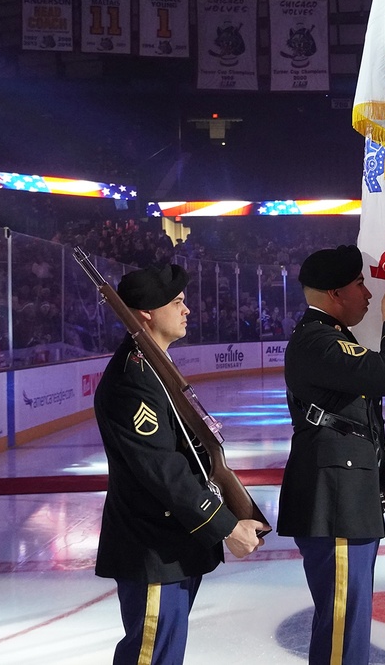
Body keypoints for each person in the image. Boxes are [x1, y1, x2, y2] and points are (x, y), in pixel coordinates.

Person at [94, 263, 265, 664]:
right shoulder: (132, 379)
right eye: (177, 302)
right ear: (145, 314)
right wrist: (225, 525)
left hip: (173, 544)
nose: (187, 309)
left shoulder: (155, 367)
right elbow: (163, 470)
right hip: (154, 548)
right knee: (151, 657)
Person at [277, 245, 385, 664]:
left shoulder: (331, 338)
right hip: (332, 501)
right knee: (342, 626)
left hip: (346, 496)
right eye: (359, 284)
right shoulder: (318, 341)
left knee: (349, 624)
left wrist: (382, 478)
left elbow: (355, 422)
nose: (369, 293)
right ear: (336, 294)